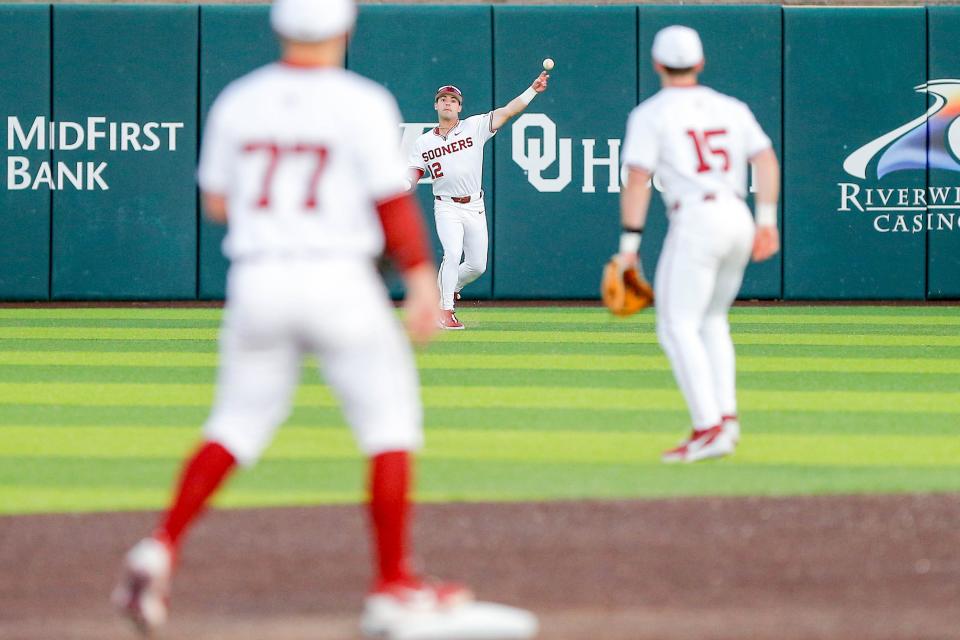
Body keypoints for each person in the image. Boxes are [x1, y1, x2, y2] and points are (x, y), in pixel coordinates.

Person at [111, 1, 535, 638]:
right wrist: (421, 282)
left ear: (279, 27)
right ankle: (393, 585)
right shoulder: (362, 102)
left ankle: (160, 546)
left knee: (236, 422)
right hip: (339, 280)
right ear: (343, 28)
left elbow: (219, 203)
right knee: (390, 424)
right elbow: (393, 205)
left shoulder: (238, 101)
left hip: (257, 281)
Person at [617, 25, 781, 464]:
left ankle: (708, 427)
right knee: (712, 320)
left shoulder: (652, 113)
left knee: (676, 325)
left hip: (696, 219)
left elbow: (638, 178)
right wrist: (767, 220)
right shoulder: (730, 106)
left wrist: (629, 244)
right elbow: (765, 158)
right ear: (701, 63)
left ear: (656, 65)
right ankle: (725, 422)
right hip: (738, 215)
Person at [407, 74, 549, 330]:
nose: (448, 103)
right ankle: (445, 309)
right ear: (436, 106)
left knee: (477, 266)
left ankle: (448, 287)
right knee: (451, 253)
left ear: (460, 107)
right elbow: (413, 173)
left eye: (453, 100)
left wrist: (532, 90)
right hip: (446, 205)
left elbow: (508, 111)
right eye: (443, 100)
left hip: (474, 205)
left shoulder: (475, 126)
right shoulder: (423, 142)